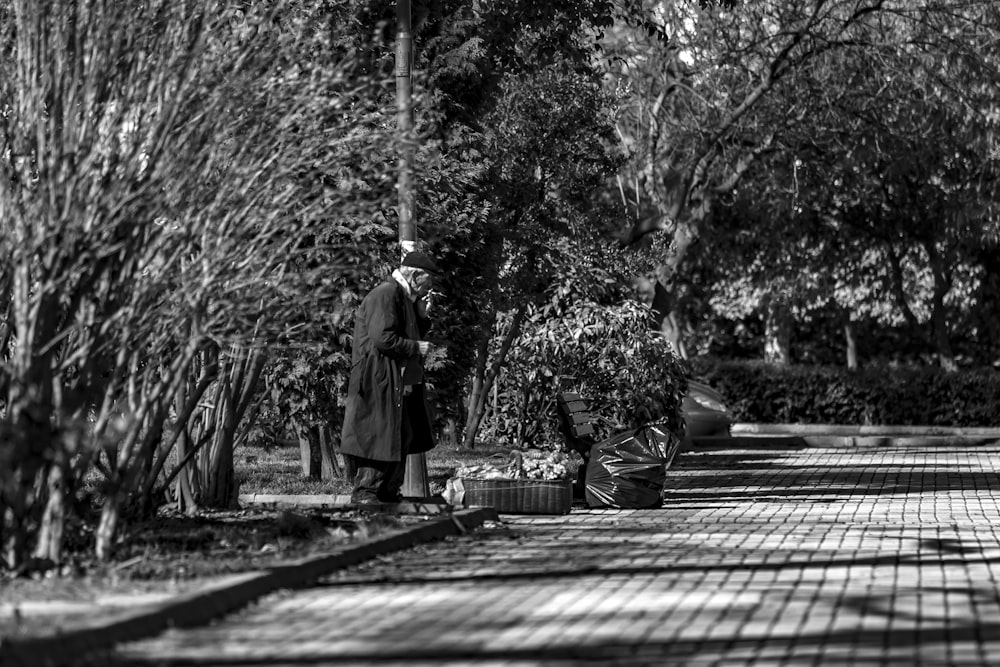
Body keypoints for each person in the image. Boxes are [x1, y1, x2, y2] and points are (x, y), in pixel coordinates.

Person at [339, 251, 441, 504]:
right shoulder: (386, 293)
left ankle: (387, 491)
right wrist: (415, 347)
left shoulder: (405, 297)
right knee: (379, 436)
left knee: (400, 435)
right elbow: (383, 338)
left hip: (396, 381)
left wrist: (422, 315)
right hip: (378, 379)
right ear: (416, 275)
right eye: (430, 278)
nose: (432, 284)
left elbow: (405, 329)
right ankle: (367, 493)